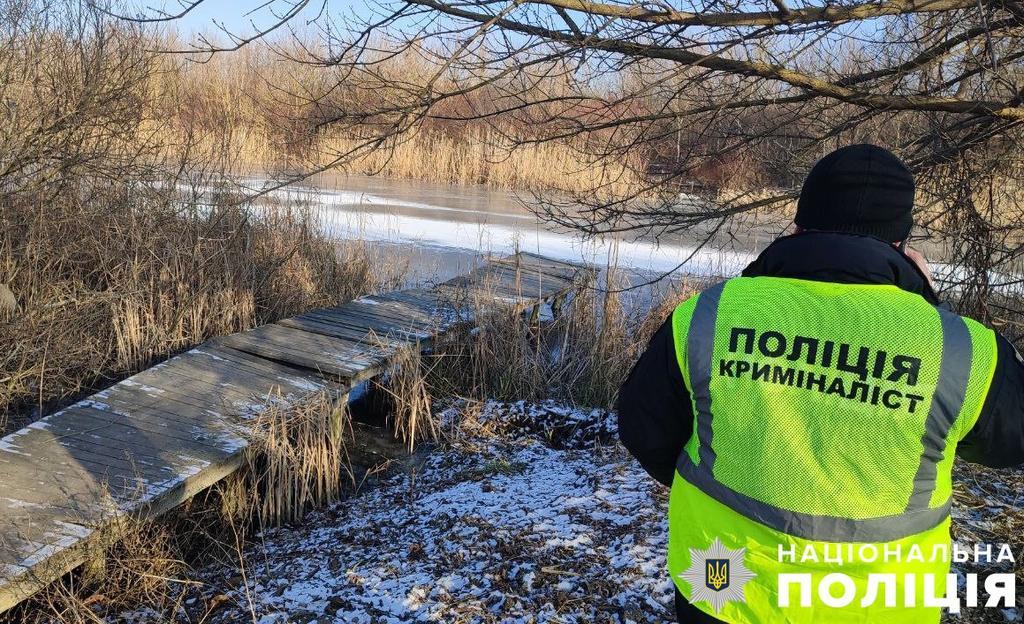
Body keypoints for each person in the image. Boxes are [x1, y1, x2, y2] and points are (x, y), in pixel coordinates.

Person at [617, 144, 1024, 623]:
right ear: (901, 244)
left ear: (797, 226)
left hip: (725, 586)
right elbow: (1007, 444)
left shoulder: (711, 314)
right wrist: (929, 306)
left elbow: (643, 427)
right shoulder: (960, 348)